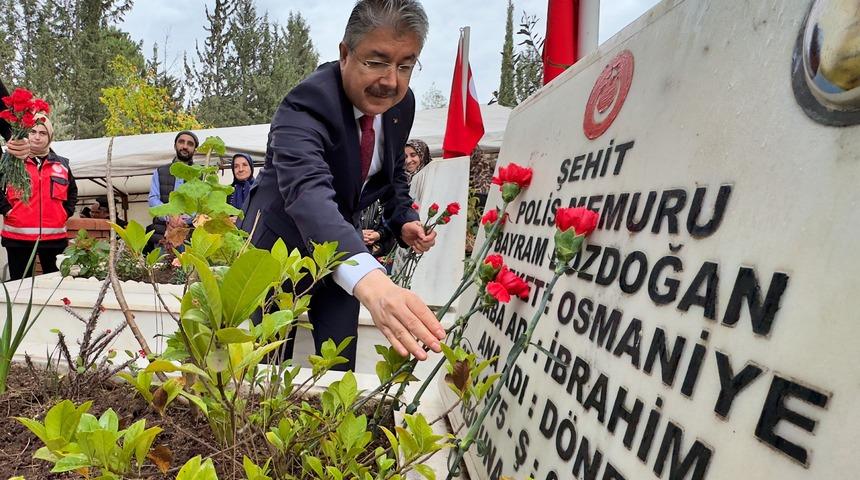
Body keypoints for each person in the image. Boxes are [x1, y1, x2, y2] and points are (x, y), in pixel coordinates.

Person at [242, 0, 444, 370]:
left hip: (343, 244)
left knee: (339, 363)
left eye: (405, 65)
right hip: (279, 249)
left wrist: (402, 219)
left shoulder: (402, 105)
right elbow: (307, 192)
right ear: (345, 53)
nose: (390, 81)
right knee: (266, 366)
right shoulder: (306, 104)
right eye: (376, 61)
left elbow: (393, 171)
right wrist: (372, 280)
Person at [0, 115, 77, 280]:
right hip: (18, 239)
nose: (36, 136)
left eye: (43, 133)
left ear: (50, 137)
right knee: (20, 288)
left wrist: (65, 212)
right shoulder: (11, 161)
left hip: (54, 239)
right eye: (33, 131)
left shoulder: (62, 165)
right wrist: (7, 210)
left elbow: (72, 193)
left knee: (53, 287)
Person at [147, 131, 198, 250]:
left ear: (195, 149)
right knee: (161, 268)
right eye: (181, 142)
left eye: (190, 144)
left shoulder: (199, 175)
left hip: (189, 238)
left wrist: (183, 220)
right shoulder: (160, 172)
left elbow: (200, 205)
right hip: (162, 236)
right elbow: (153, 199)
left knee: (187, 268)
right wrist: (169, 216)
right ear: (175, 145)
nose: (185, 146)